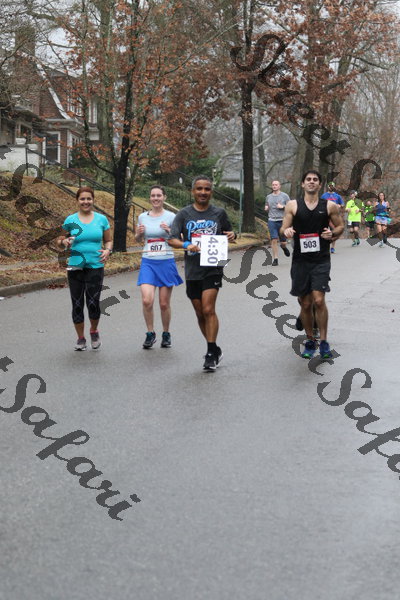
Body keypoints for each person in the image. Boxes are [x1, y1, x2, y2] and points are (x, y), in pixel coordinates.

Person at [168, 175, 236, 371]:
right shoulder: (184, 214)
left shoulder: (219, 213)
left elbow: (229, 233)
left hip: (213, 267)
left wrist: (233, 235)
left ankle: (210, 352)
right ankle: (214, 348)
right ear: (193, 191)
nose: (203, 192)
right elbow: (172, 239)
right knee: (200, 313)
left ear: (211, 192)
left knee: (208, 309)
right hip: (192, 270)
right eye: (199, 189)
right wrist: (186, 244)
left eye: (207, 189)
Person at [281, 170, 344, 359]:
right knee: (306, 303)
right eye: (308, 179)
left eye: (315, 180)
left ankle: (323, 341)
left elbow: (340, 226)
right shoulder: (293, 205)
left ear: (320, 185)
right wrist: (287, 231)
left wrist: (332, 234)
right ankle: (310, 340)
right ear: (303, 184)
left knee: (318, 300)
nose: (311, 182)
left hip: (321, 259)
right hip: (300, 260)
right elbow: (283, 228)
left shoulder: (329, 206)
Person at [57, 186, 112, 351]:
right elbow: (59, 240)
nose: (86, 202)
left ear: (93, 200)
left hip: (95, 265)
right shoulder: (70, 220)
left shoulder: (101, 219)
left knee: (93, 302)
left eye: (89, 198)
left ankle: (94, 331)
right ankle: (80, 338)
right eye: (82, 199)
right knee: (77, 303)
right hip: (75, 266)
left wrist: (107, 250)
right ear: (77, 201)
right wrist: (64, 242)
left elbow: (108, 240)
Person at [135, 185, 183, 349]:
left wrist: (169, 230)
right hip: (148, 262)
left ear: (164, 197)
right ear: (150, 198)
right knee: (147, 300)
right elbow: (137, 239)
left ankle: (166, 333)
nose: (155, 198)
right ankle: (150, 333)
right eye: (153, 195)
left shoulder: (171, 216)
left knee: (163, 303)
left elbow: (179, 239)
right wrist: (139, 233)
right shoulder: (142, 217)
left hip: (166, 262)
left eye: (158, 195)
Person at [264, 180, 291, 265]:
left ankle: (284, 247)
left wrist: (282, 207)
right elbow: (267, 205)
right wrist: (266, 208)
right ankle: (275, 259)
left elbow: (290, 207)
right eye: (273, 185)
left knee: (283, 242)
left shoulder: (285, 196)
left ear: (279, 186)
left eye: (276, 185)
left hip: (282, 221)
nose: (274, 186)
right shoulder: (268, 197)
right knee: (274, 239)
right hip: (272, 220)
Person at [321, 182, 344, 253]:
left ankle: (332, 247)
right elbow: (319, 204)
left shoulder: (337, 196)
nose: (331, 187)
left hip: (334, 216)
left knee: (334, 231)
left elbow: (342, 204)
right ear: (328, 187)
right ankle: (324, 246)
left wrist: (340, 206)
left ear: (334, 187)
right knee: (323, 231)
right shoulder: (324, 195)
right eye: (330, 186)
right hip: (325, 215)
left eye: (332, 186)